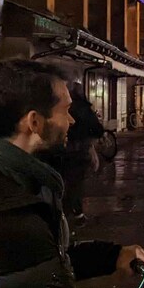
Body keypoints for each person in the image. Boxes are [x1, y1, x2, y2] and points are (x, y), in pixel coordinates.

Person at [0, 60, 144, 288]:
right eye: (65, 110)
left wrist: (112, 255)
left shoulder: (34, 182)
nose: (72, 120)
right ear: (34, 121)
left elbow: (39, 264)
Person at [42, 83, 104, 227]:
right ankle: (75, 213)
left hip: (60, 153)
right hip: (77, 154)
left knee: (60, 180)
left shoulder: (60, 108)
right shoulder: (83, 108)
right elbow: (97, 129)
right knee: (75, 184)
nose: (71, 120)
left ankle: (61, 210)